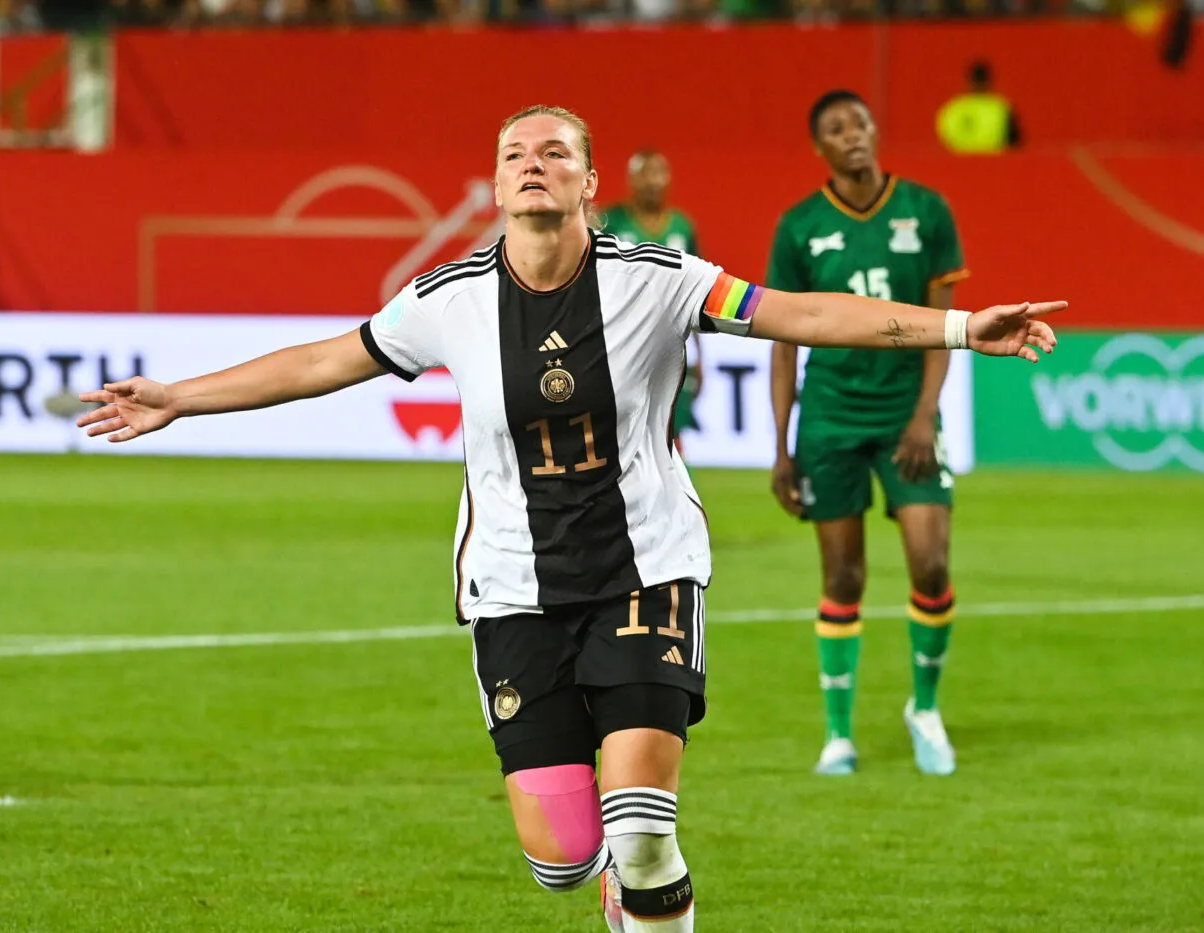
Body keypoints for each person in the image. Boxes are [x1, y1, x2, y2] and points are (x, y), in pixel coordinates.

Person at [77, 104, 1061, 932]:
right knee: (563, 857)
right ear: (496, 188)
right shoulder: (444, 300)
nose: (534, 166)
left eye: (555, 153)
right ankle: (598, 880)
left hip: (646, 573)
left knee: (639, 827)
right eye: (516, 155)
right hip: (512, 586)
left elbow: (801, 313)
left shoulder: (661, 276)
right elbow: (321, 362)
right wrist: (182, 397)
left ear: (590, 182)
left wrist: (959, 329)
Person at [768, 89, 972, 778]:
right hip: (829, 417)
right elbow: (783, 342)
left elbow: (944, 324)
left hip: (903, 414)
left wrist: (923, 415)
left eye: (859, 122)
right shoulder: (798, 227)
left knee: (932, 562)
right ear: (818, 147)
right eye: (835, 128)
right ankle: (838, 734)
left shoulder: (926, 210)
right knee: (844, 575)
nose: (852, 135)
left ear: (875, 130)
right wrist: (782, 446)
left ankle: (926, 708)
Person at [602, 150, 704, 456]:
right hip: (621, 343)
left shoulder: (682, 227)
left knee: (671, 433)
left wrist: (699, 354)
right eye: (645, 173)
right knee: (619, 432)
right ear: (631, 179)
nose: (653, 182)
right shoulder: (610, 223)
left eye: (659, 173)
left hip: (672, 346)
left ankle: (675, 500)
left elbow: (696, 292)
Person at [935, 61, 1022, 155]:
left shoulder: (953, 108)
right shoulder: (1000, 106)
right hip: (991, 162)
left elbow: (945, 138)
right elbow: (1015, 142)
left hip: (964, 163)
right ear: (989, 81)